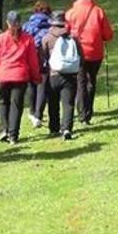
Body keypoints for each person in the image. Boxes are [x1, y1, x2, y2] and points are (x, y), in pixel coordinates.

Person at [65, 0, 114, 125]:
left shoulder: (70, 13)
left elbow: (65, 32)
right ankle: (88, 112)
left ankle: (82, 114)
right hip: (95, 52)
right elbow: (108, 35)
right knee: (91, 80)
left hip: (77, 53)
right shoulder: (99, 11)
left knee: (80, 82)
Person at [0, 11, 40, 144]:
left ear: (7, 23)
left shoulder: (0, 38)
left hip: (3, 76)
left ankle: (3, 130)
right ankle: (13, 134)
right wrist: (36, 76)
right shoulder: (28, 38)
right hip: (20, 76)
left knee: (3, 102)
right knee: (16, 105)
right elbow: (33, 61)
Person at [41, 11, 83, 140]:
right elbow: (80, 56)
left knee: (53, 102)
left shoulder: (47, 38)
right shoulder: (73, 38)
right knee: (68, 103)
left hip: (53, 75)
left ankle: (54, 128)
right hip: (70, 75)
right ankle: (66, 129)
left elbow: (43, 56)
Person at [22, 1, 52, 128]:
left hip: (29, 59)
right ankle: (38, 115)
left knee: (31, 85)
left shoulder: (26, 26)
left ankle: (32, 110)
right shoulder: (50, 27)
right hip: (43, 59)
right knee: (42, 86)